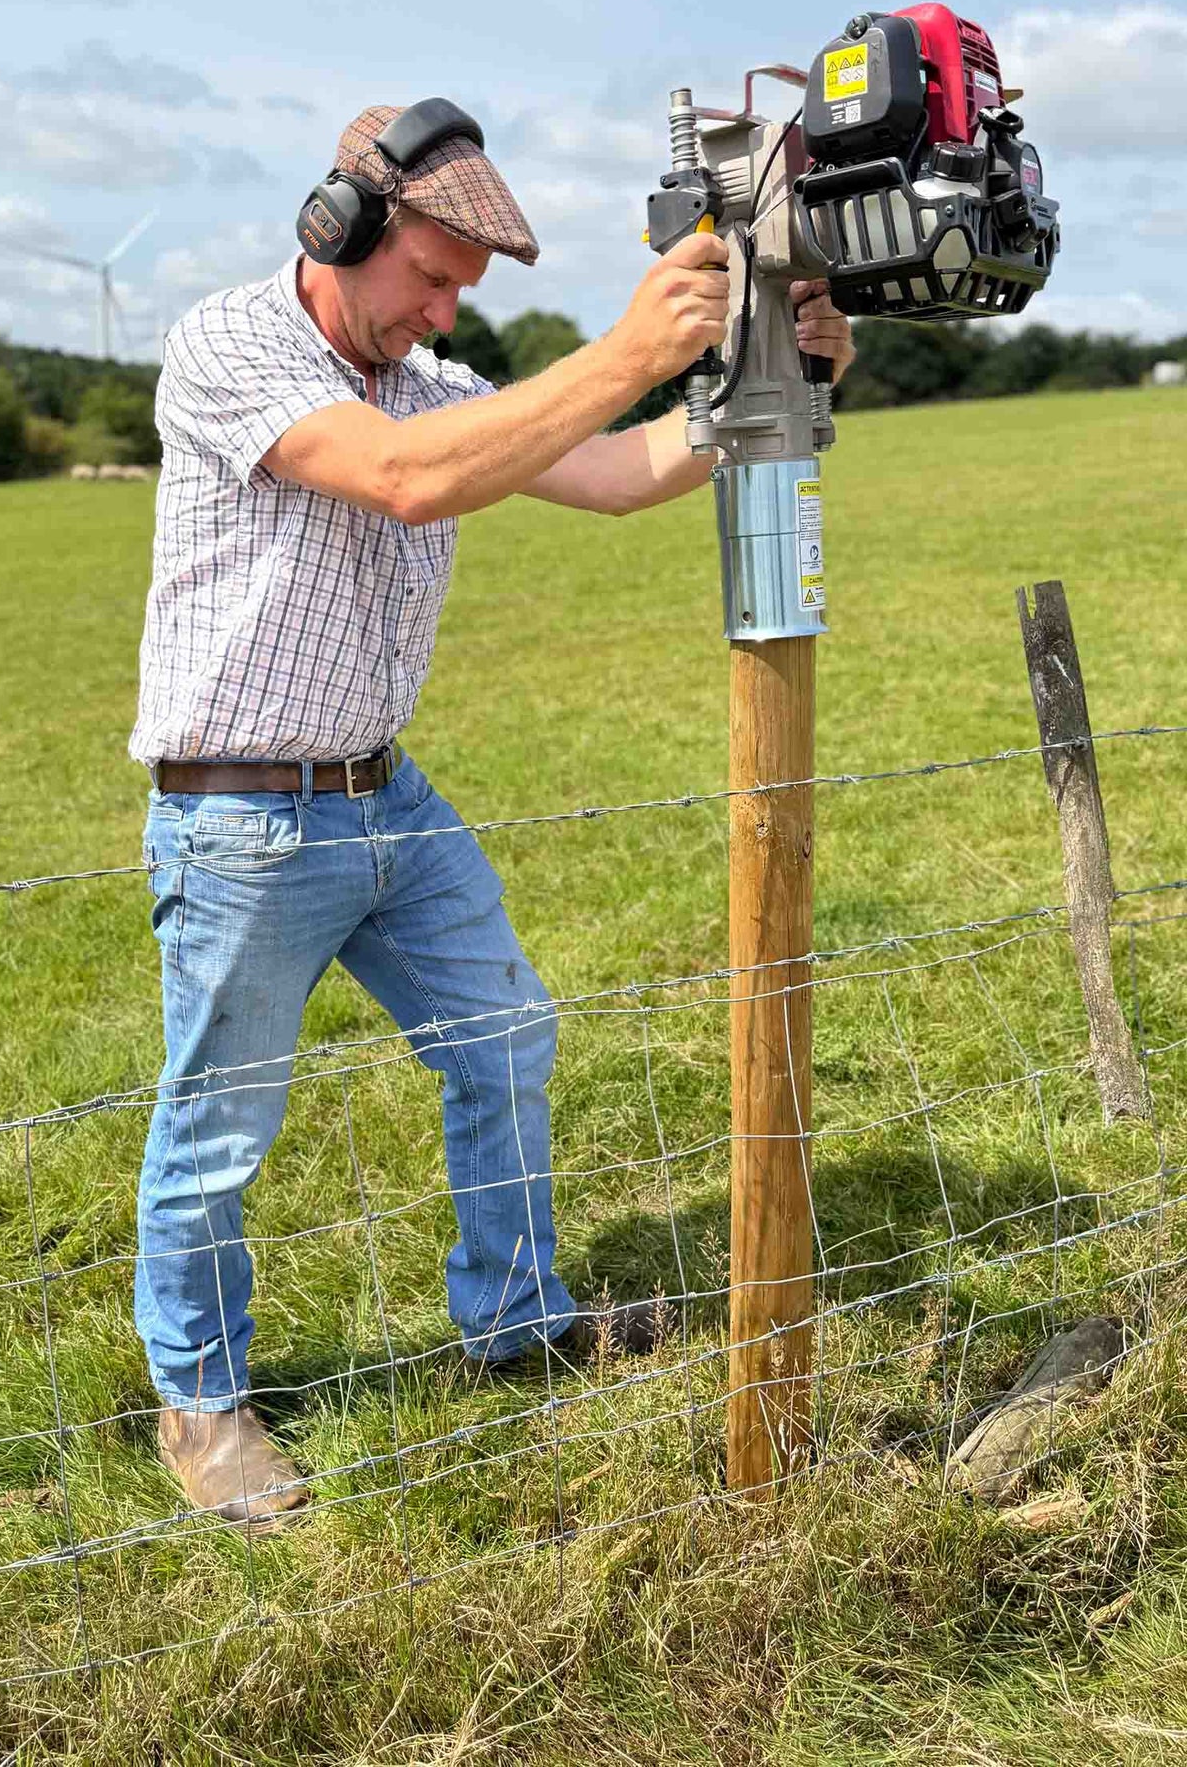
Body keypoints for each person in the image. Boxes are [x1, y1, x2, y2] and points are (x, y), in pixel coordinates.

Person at [131, 99, 853, 1529]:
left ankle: (515, 1319)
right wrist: (628, 349)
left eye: (467, 287)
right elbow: (407, 489)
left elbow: (610, 473)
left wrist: (774, 374)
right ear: (335, 224)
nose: (445, 307)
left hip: (382, 787)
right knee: (219, 1129)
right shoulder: (230, 348)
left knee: (507, 1030)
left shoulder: (431, 383)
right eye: (433, 272)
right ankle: (201, 1407)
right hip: (241, 817)